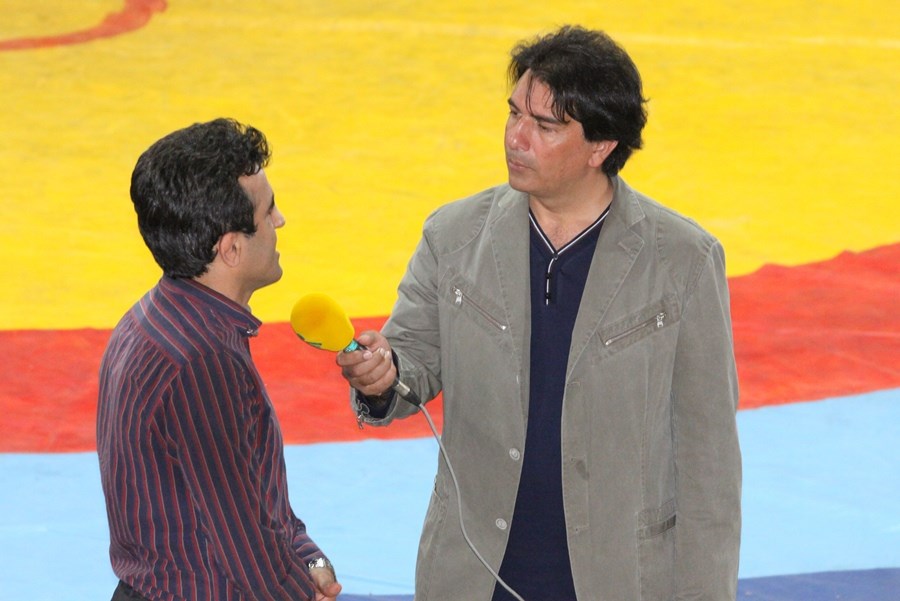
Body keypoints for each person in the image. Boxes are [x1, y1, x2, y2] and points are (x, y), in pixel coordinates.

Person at [337, 25, 741, 600]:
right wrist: (382, 376)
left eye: (545, 126)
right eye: (513, 114)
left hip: (620, 582)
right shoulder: (452, 236)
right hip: (474, 577)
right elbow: (411, 368)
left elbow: (709, 467)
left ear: (600, 147)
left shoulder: (683, 262)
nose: (516, 137)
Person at [97, 118, 341, 601]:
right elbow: (244, 542)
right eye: (269, 211)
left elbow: (250, 496)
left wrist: (306, 555)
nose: (280, 221)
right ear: (231, 248)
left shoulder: (156, 317)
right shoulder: (202, 358)